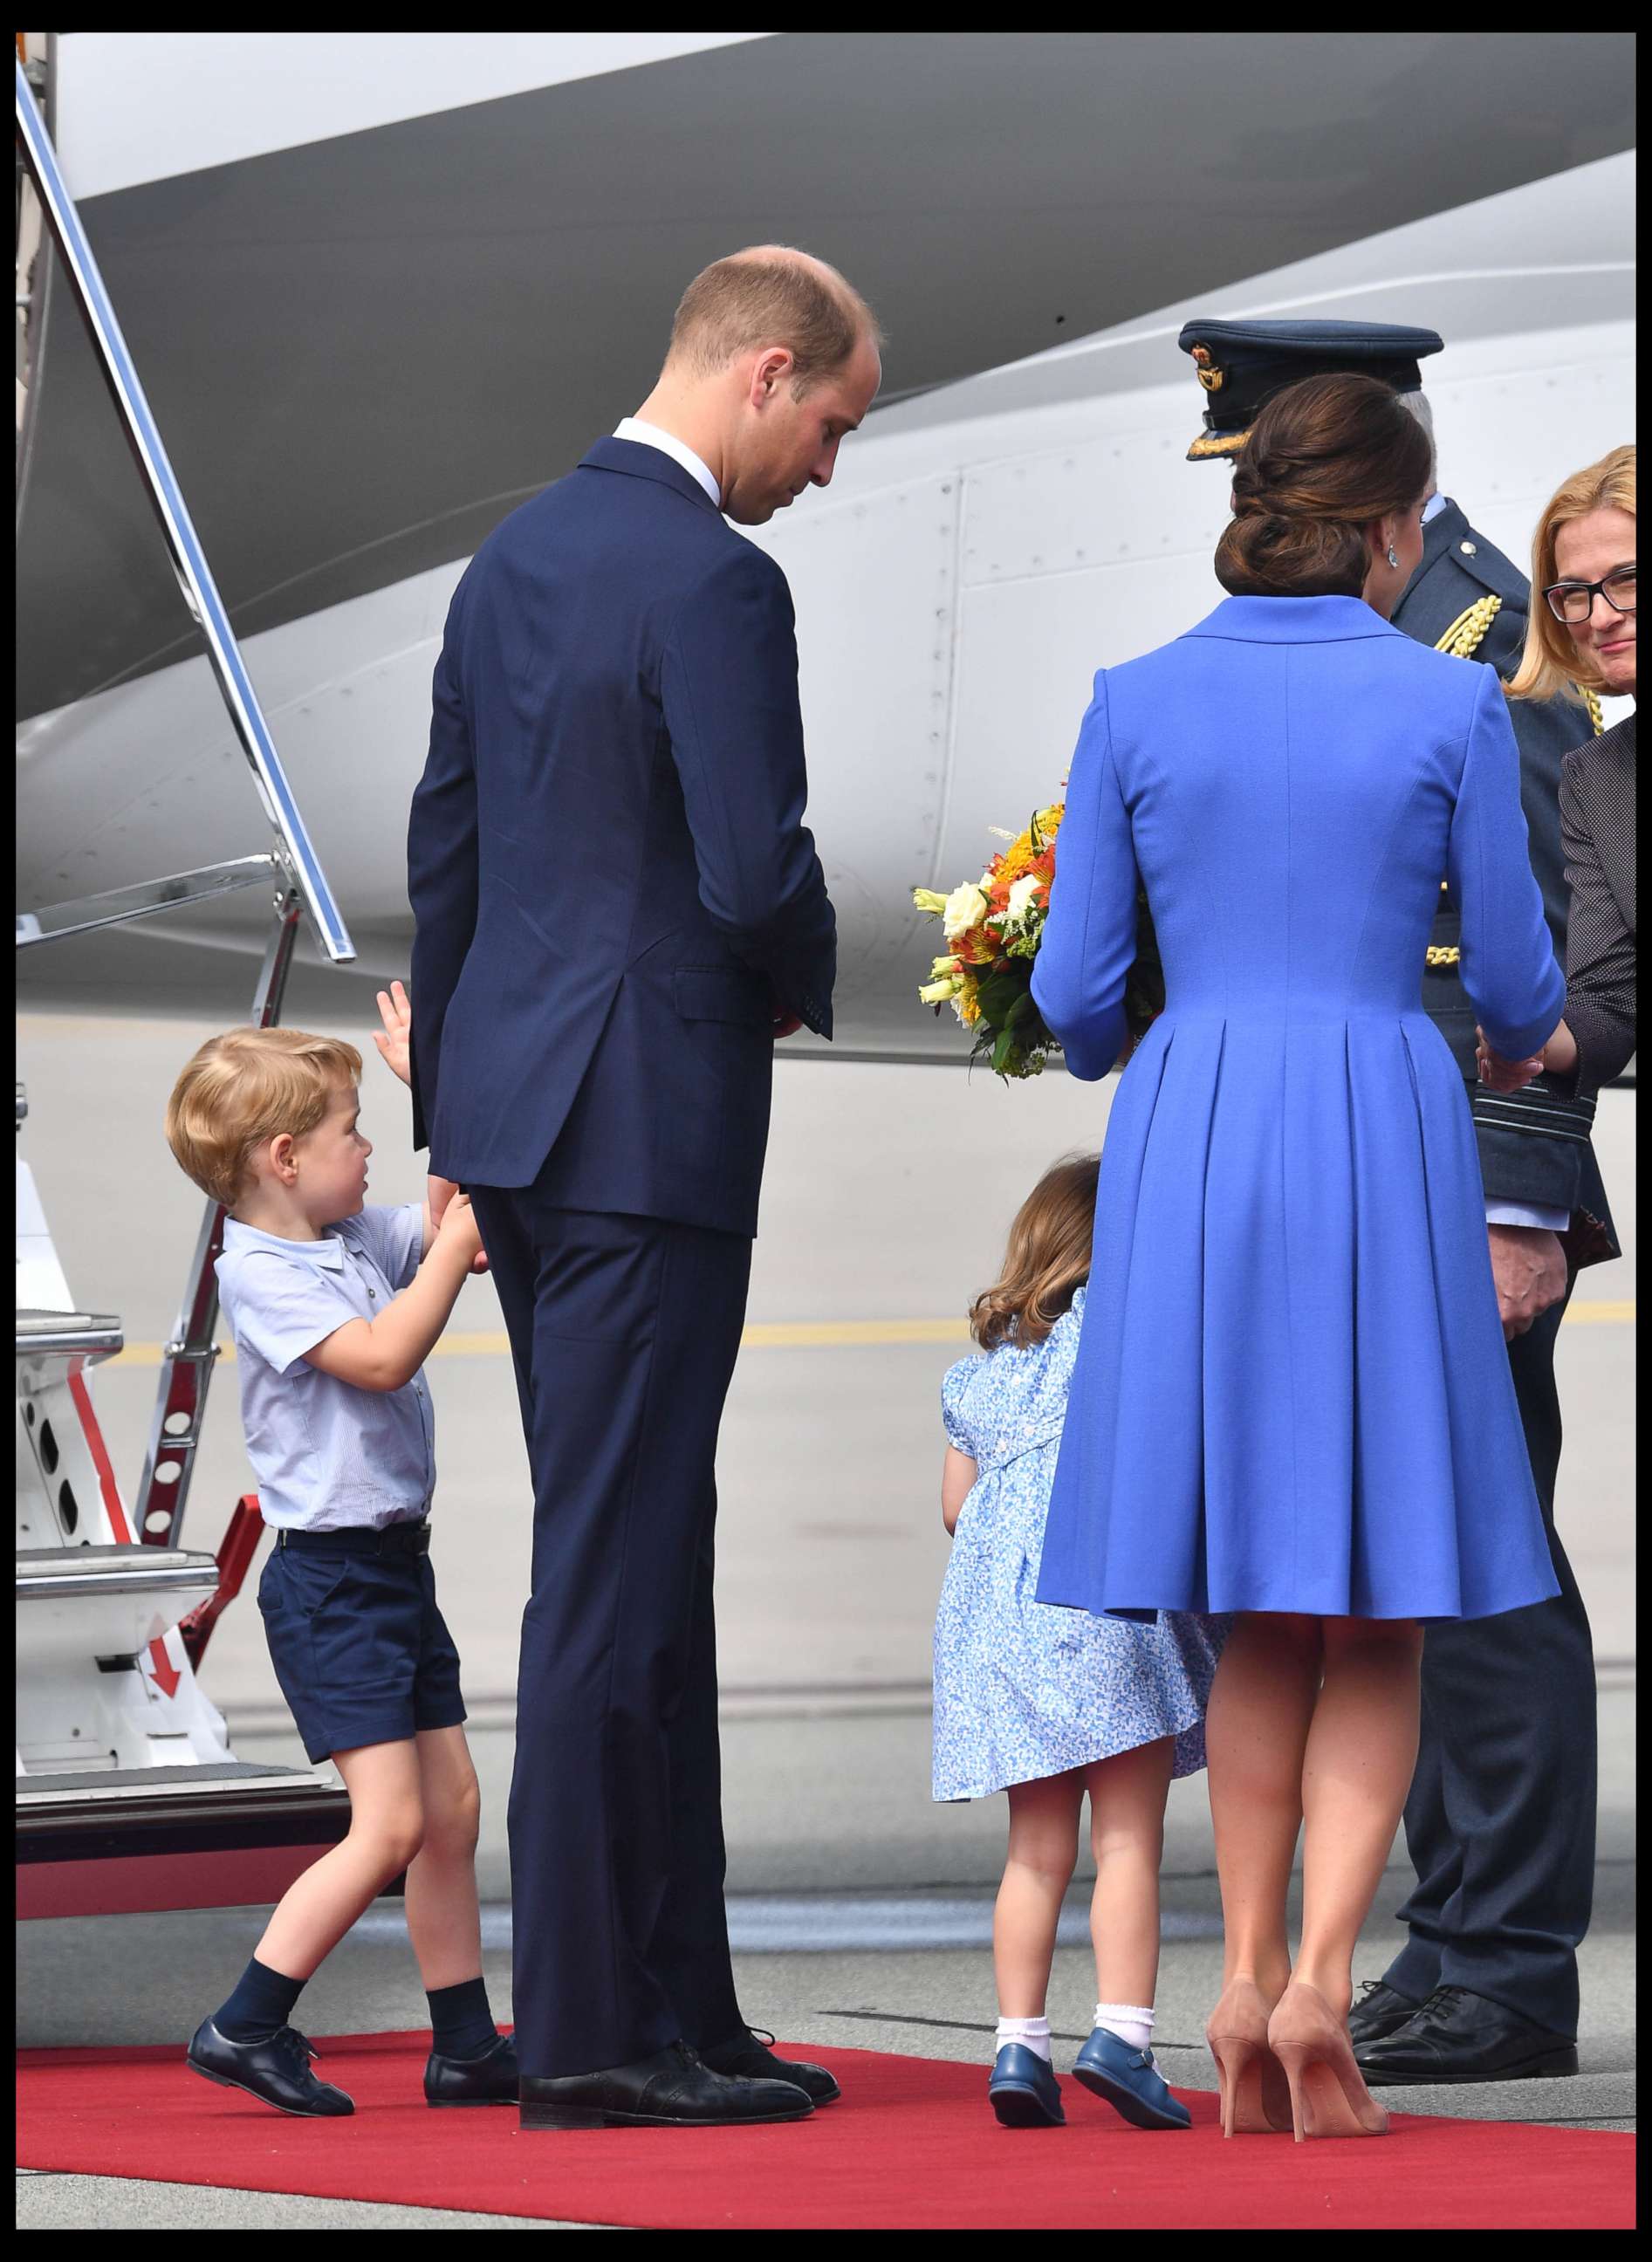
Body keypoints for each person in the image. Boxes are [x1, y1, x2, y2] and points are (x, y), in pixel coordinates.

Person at [1030, 371, 1566, 2142]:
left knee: (1250, 1597)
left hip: (1192, 1139)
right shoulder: (1446, 700)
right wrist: (1518, 1031)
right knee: (1382, 1600)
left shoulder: (1134, 698)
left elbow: (1079, 1006)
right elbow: (1507, 985)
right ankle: (1329, 1978)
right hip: (1371, 1125)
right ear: (1396, 522)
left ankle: (1241, 1972)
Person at [406, 247, 882, 2131]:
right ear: (767, 374)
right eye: (834, 424)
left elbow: (448, 843)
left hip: (520, 1118)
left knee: (647, 1546)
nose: (827, 470)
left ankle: (684, 1996)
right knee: (613, 1574)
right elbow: (757, 854)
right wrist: (796, 979)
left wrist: (460, 1076)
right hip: (642, 1124)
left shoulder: (512, 554)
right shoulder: (710, 576)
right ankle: (599, 2030)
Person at [1179, 319, 1617, 2087]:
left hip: (1451, 1186)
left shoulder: (1481, 657)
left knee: (1483, 1577)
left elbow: (1526, 952)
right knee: (1385, 1577)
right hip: (1343, 1189)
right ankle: (1441, 1939)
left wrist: (1517, 1207)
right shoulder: (1357, 649)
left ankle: (1498, 1961)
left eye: (1284, 478)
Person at [164, 1025, 510, 2118]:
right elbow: (379, 1357)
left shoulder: (341, 1231)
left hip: (392, 1567)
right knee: (391, 1826)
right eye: (349, 1135)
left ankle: (464, 2044)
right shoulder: (259, 1269)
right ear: (281, 1158)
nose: (367, 1154)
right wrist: (452, 1255)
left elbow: (447, 1216)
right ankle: (246, 2022)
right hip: (330, 1585)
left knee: (451, 1807)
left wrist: (436, 1095)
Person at [933, 1155, 1229, 2133]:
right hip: (1101, 1620)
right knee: (1129, 1843)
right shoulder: (1104, 1342)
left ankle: (1019, 2046)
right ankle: (1124, 2039)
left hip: (1007, 1643)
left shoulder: (974, 1385)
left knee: (1035, 1853)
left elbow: (954, 1512)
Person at [1479, 445, 1635, 1104]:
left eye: (1628, 579)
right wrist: (1539, 1039)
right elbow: (1606, 997)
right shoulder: (1595, 778)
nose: (1598, 616)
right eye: (1575, 593)